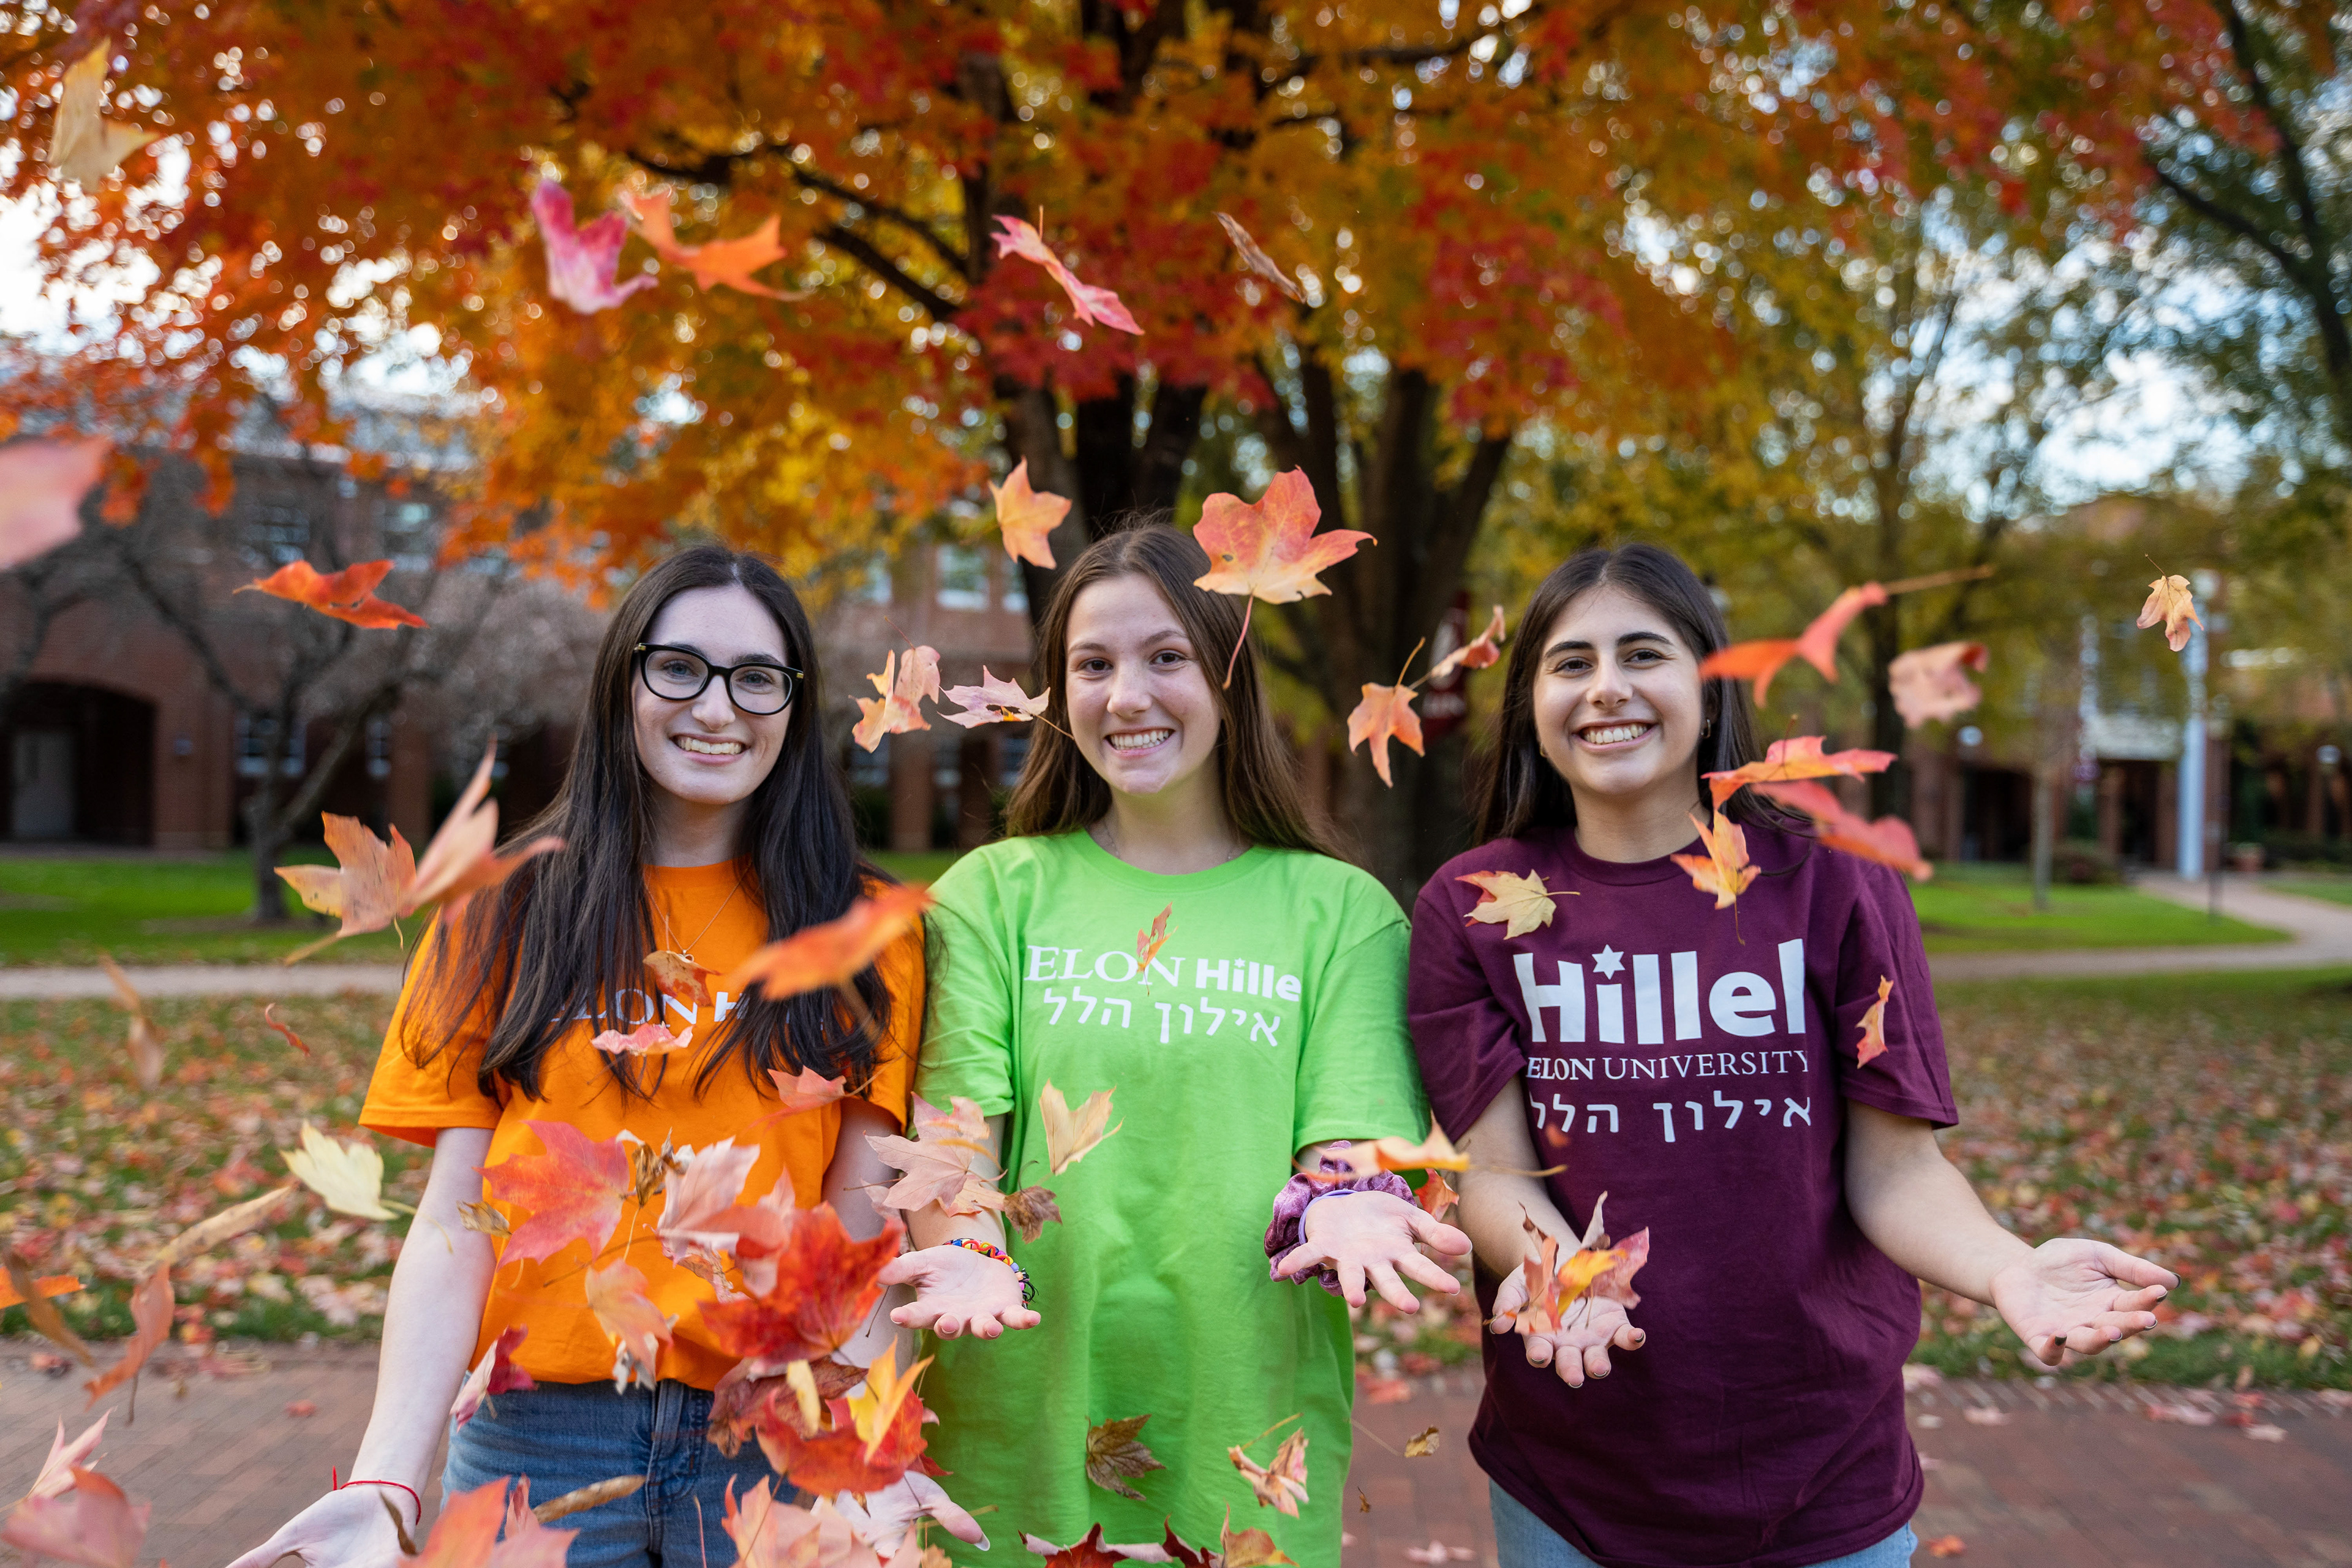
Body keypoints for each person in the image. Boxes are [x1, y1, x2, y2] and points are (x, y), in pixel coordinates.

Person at [1408, 544, 2178, 1568]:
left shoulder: (1833, 884)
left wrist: (2008, 1269)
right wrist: (1563, 1273)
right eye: (1570, 663)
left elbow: (1896, 1169)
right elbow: (1493, 1173)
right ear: (1531, 704)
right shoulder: (1467, 908)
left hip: (1820, 1466)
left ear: (1709, 685)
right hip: (1575, 1471)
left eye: (1645, 653)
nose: (1608, 690)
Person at [228, 546, 921, 1568]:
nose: (717, 708)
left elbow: (864, 1238)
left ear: (794, 703)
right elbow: (455, 1219)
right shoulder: (504, 912)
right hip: (536, 1440)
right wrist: (386, 1475)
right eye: (678, 667)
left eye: (757, 678)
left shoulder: (869, 929)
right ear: (623, 681)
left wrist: (866, 1464)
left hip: (773, 1440)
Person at [877, 522, 1471, 1568]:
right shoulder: (992, 895)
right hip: (1012, 1430)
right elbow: (956, 1135)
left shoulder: (1341, 914)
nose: (1127, 696)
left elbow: (1344, 1159)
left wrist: (1351, 1203)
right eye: (1093, 665)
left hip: (1240, 1438)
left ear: (1229, 675)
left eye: (1167, 658)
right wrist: (970, 1248)